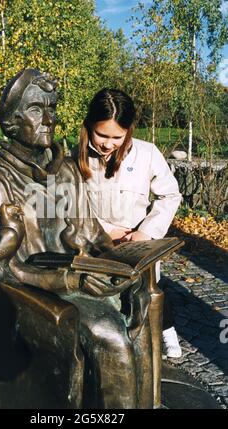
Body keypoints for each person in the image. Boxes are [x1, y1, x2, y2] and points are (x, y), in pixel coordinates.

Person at [0, 69, 155, 408]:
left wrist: (128, 267)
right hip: (37, 293)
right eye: (34, 109)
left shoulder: (67, 169)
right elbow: (2, 269)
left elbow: (92, 232)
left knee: (140, 299)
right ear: (12, 121)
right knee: (110, 335)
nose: (48, 119)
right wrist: (71, 278)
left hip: (78, 276)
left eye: (51, 107)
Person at [73, 88, 182, 358]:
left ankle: (166, 331)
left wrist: (146, 232)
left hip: (139, 243)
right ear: (88, 126)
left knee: (149, 289)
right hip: (97, 242)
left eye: (117, 137)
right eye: (102, 135)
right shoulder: (75, 157)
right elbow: (70, 203)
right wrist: (104, 231)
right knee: (107, 295)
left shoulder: (147, 154)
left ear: (129, 131)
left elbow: (170, 194)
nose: (108, 144)